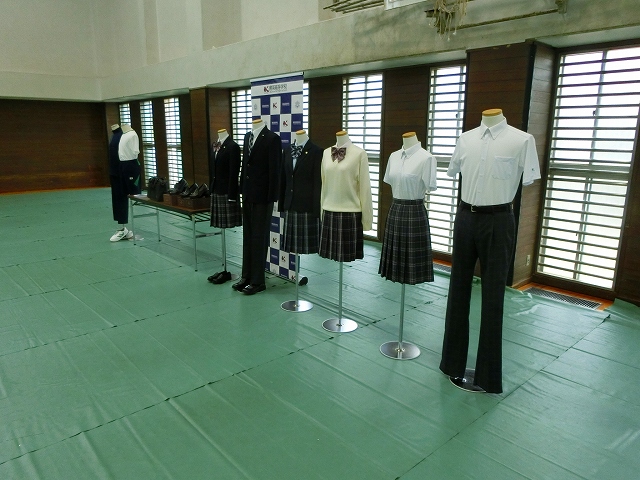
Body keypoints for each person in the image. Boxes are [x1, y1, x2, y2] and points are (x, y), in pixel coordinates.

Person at [439, 108, 541, 394]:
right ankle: (452, 363)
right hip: (465, 216)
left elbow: (528, 179)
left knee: (493, 296)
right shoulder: (465, 139)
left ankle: (488, 376)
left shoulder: (522, 140)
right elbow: (453, 171)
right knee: (457, 290)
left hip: (499, 219)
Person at [379, 132, 437, 284]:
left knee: (412, 259)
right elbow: (389, 180)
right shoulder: (393, 156)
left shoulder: (427, 158)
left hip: (414, 212)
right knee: (395, 258)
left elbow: (430, 186)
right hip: (395, 210)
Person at [232, 118, 282, 295]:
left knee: (259, 238)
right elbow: (245, 164)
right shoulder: (248, 137)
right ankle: (246, 276)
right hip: (247, 194)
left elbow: (275, 169)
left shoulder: (272, 138)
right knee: (248, 237)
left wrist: (272, 197)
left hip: (263, 196)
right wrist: (242, 189)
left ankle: (258, 280)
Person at [319, 131, 373, 262]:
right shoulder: (326, 153)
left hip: (350, 213)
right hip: (329, 211)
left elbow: (365, 188)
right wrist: (322, 212)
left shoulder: (359, 154)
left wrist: (367, 220)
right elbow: (324, 185)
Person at [278, 130, 323, 255]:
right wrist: (282, 204)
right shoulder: (287, 150)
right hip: (290, 204)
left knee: (305, 247)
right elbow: (283, 178)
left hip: (306, 207)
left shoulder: (317, 151)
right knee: (291, 247)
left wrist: (317, 210)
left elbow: (318, 182)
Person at [207, 128, 242, 284]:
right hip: (216, 190)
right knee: (219, 228)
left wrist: (232, 196)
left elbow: (234, 173)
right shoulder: (216, 145)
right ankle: (223, 269)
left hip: (227, 193)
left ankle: (226, 271)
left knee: (225, 228)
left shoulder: (233, 147)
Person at [109, 124, 141, 242]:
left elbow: (133, 154)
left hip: (126, 169)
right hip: (116, 171)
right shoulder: (117, 135)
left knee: (132, 196)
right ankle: (122, 227)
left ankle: (124, 229)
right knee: (118, 199)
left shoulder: (126, 135)